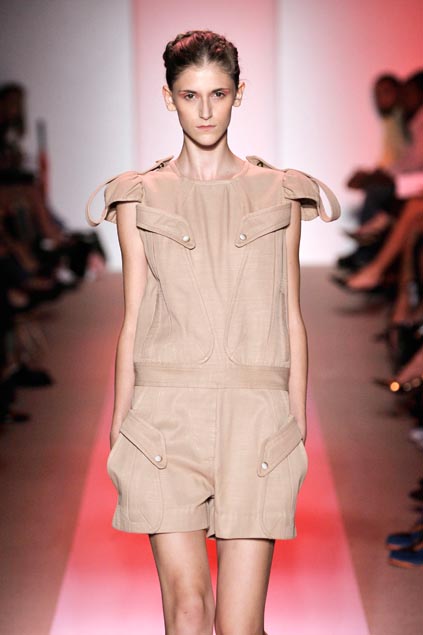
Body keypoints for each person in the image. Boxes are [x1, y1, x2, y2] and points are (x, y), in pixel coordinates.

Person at [86, 29, 340, 635]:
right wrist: (120, 427)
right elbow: (134, 317)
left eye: (218, 94)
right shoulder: (138, 197)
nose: (204, 111)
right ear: (168, 98)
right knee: (188, 611)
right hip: (164, 418)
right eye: (190, 95)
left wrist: (296, 423)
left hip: (255, 419)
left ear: (239, 94)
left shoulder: (280, 191)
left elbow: (291, 314)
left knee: (241, 625)